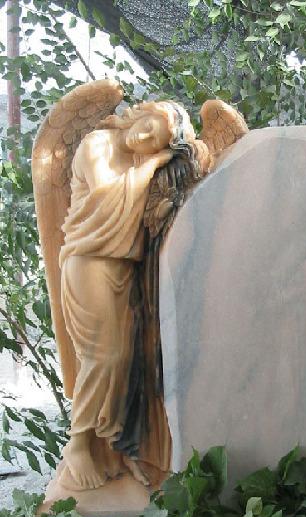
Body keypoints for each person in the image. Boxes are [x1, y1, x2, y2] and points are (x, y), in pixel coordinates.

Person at [58, 101, 195, 490]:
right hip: (89, 262)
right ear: (143, 112)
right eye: (152, 125)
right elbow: (105, 197)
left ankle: (115, 450)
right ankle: (79, 443)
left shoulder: (139, 162)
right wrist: (154, 162)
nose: (147, 136)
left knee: (127, 364)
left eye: (157, 141)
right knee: (105, 357)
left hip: (123, 271)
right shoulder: (97, 144)